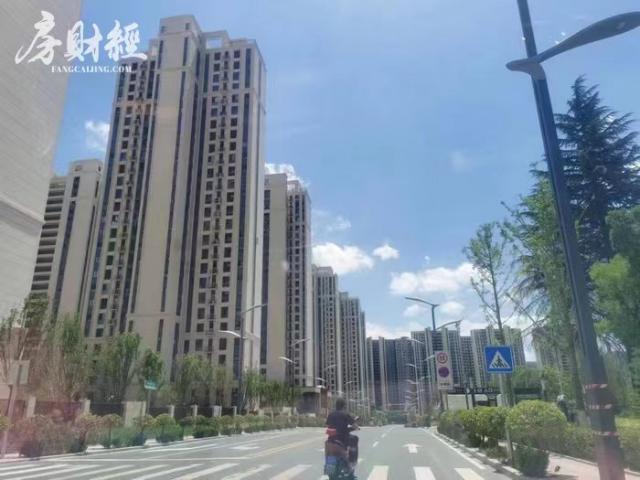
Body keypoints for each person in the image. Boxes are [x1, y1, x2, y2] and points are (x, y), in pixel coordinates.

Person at [326, 398, 359, 464]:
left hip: (331, 439)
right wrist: (352, 428)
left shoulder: (330, 414)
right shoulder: (345, 414)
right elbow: (355, 426)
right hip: (343, 438)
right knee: (355, 438)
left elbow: (327, 425)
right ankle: (353, 461)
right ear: (344, 406)